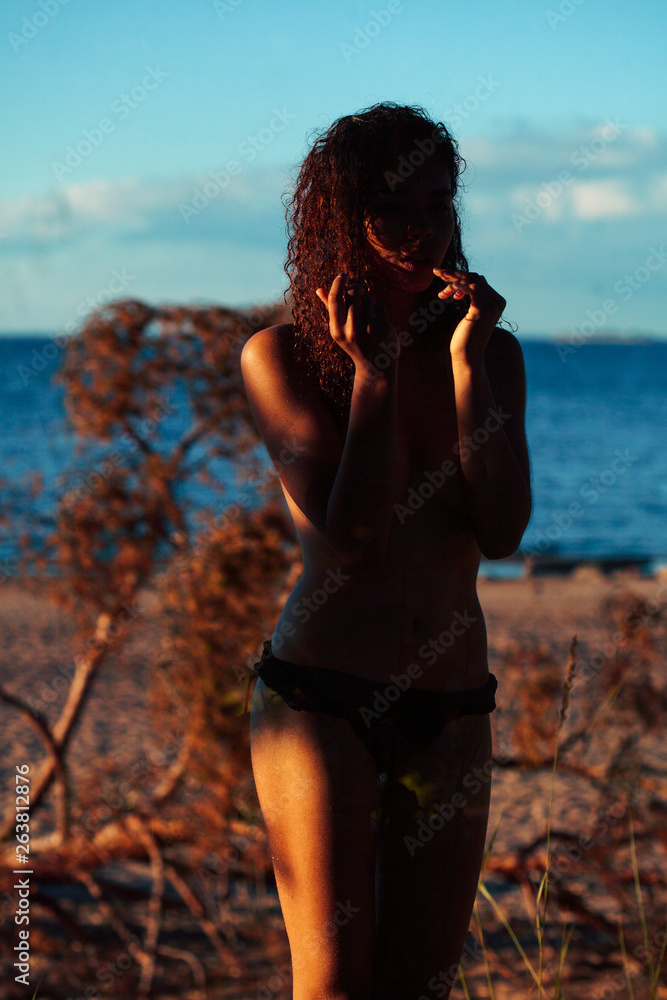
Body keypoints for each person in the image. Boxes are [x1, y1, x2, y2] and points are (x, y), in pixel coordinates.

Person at [240, 102, 532, 1000]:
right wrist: (369, 373)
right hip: (320, 703)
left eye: (438, 205)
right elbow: (352, 542)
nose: (420, 231)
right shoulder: (282, 357)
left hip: (452, 703)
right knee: (332, 982)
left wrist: (469, 365)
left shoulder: (489, 354)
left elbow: (502, 531)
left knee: (420, 983)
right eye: (393, 210)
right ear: (341, 219)